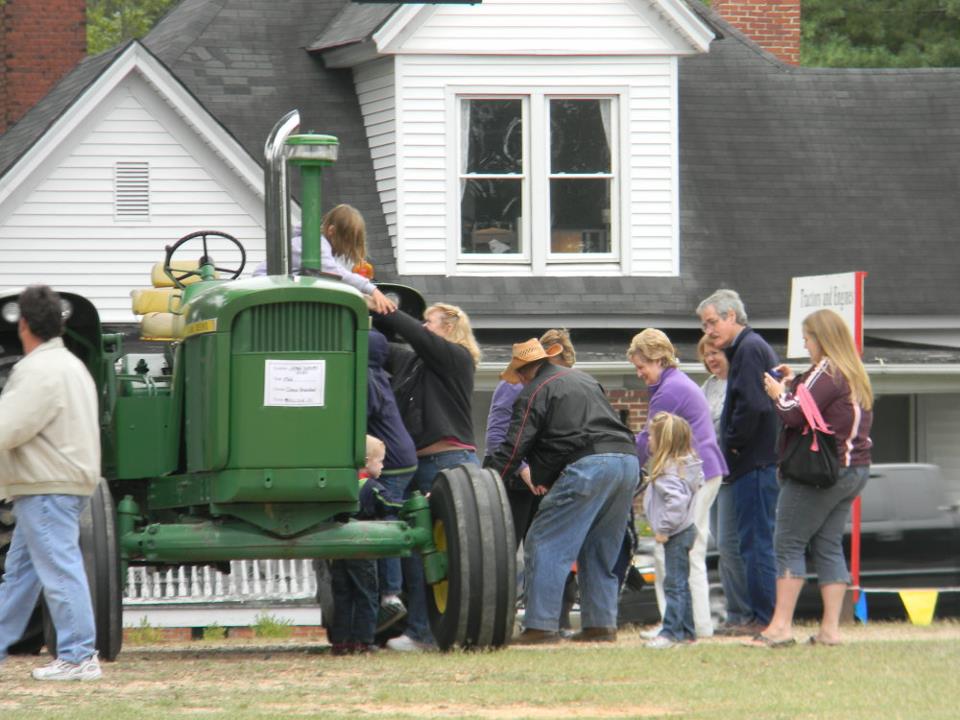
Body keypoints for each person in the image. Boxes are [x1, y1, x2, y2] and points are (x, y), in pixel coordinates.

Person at [486, 339, 639, 645]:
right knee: (600, 546)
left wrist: (491, 482)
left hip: (590, 465)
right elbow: (575, 433)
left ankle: (540, 626)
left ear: (526, 370)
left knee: (544, 538)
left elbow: (516, 445)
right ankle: (600, 625)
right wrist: (547, 473)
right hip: (627, 463)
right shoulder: (585, 379)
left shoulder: (536, 390)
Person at [751, 309, 873, 647]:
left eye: (807, 338)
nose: (805, 344)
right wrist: (794, 382)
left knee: (788, 542)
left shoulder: (827, 370)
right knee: (828, 544)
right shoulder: (853, 372)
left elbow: (793, 415)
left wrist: (777, 392)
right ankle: (830, 631)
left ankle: (779, 628)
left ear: (821, 339)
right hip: (855, 470)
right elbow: (814, 405)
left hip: (820, 472)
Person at [0, 285, 102, 681]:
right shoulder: (71, 365)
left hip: (44, 485)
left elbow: (7, 429)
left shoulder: (36, 370)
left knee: (59, 570)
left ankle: (79, 656)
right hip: (61, 482)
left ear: (23, 323)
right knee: (21, 574)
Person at [370, 301, 482, 652]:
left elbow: (415, 336)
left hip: (451, 463)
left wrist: (380, 305)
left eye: (429, 321)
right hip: (421, 467)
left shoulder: (457, 358)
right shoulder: (414, 364)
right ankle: (420, 631)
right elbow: (381, 350)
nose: (423, 326)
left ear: (449, 326)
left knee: (446, 553)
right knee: (421, 549)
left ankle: (428, 633)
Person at [627, 329, 726, 639]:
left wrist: (627, 464)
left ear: (658, 359)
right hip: (703, 472)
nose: (639, 373)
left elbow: (648, 440)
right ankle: (689, 623)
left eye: (642, 365)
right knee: (689, 552)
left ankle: (681, 626)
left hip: (694, 476)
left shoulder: (669, 391)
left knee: (674, 550)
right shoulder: (672, 383)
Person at [697, 288, 780, 633]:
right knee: (747, 543)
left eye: (712, 322)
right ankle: (752, 616)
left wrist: (730, 445)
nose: (708, 331)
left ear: (732, 316)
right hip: (751, 463)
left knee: (755, 543)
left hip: (753, 463)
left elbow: (753, 406)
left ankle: (763, 619)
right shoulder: (749, 348)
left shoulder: (747, 349)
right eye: (704, 326)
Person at [483, 328, 577, 546]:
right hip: (510, 474)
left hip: (536, 478)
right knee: (505, 547)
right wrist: (524, 470)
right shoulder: (513, 384)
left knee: (541, 547)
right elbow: (496, 436)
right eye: (557, 370)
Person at [329, 436, 402, 655]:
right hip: (362, 546)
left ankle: (341, 642)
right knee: (367, 594)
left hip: (338, 547)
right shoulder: (371, 487)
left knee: (342, 595)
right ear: (368, 460)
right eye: (380, 461)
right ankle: (364, 641)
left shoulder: (343, 484)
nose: (382, 466)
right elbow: (390, 504)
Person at [366, 329, 418, 634]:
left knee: (387, 525)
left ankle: (390, 595)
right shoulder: (379, 375)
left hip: (392, 462)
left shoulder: (366, 378)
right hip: (403, 456)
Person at [253, 203, 396, 314]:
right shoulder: (312, 245)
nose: (346, 249)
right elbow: (336, 273)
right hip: (268, 294)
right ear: (331, 231)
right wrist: (372, 290)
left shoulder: (321, 245)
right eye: (346, 242)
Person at [642, 412, 705, 649]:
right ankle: (687, 632)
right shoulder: (683, 466)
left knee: (674, 583)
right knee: (681, 582)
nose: (648, 440)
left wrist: (664, 529)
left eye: (651, 436)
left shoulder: (668, 471)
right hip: (686, 530)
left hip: (676, 533)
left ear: (664, 441)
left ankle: (671, 632)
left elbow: (676, 502)